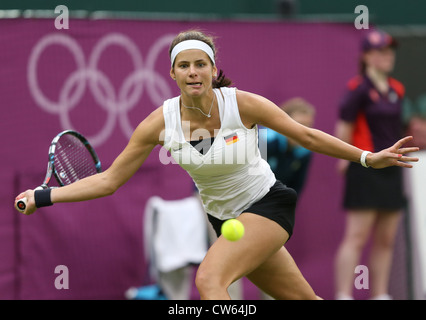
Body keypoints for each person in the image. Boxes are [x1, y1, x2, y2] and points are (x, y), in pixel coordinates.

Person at [15, 29, 419, 300]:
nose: (193, 72)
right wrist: (44, 195)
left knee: (209, 280)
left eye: (200, 64)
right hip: (225, 221)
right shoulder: (159, 123)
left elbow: (308, 136)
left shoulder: (241, 104)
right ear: (172, 72)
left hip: (268, 205)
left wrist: (368, 157)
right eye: (184, 65)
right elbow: (108, 181)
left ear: (212, 69)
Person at [334, 29, 408, 300]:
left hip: (394, 170)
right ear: (366, 56)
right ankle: (344, 294)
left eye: (389, 51)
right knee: (356, 237)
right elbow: (344, 127)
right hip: (365, 167)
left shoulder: (397, 89)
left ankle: (380, 295)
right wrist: (346, 160)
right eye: (380, 51)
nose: (387, 56)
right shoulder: (358, 89)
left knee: (386, 239)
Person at [265, 97, 316, 194]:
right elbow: (252, 177)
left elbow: (295, 189)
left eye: (308, 125)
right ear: (283, 122)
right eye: (299, 124)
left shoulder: (305, 152)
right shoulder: (264, 140)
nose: (304, 130)